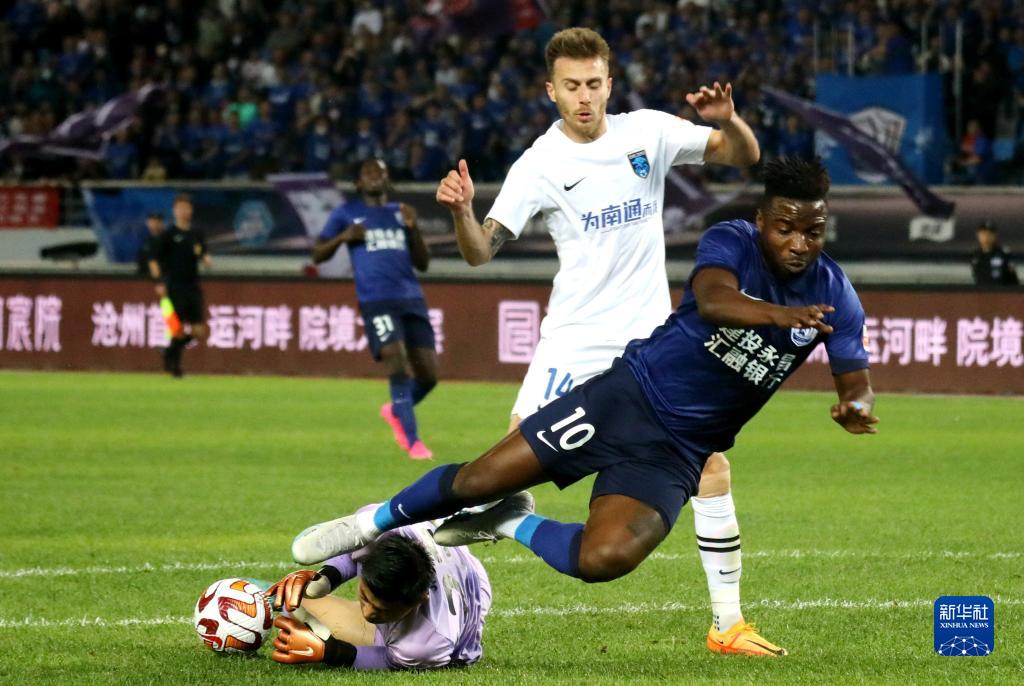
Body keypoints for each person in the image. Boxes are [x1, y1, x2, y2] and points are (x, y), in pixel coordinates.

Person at [292, 158, 879, 657]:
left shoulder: (835, 294)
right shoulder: (732, 240)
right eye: (785, 228)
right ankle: (364, 526)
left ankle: (507, 521)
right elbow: (714, 300)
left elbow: (855, 378)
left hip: (678, 451)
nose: (799, 244)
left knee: (605, 559)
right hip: (626, 399)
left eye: (813, 231)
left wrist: (854, 405)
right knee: (477, 479)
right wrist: (780, 315)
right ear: (762, 221)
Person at [434, 27, 773, 654]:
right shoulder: (539, 164)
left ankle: (728, 624)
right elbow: (481, 251)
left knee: (710, 464)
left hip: (652, 346)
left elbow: (741, 155)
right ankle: (437, 571)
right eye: (572, 86)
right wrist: (461, 212)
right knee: (494, 473)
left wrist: (729, 120)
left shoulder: (648, 132)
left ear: (610, 84)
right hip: (574, 341)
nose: (584, 96)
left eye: (593, 83)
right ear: (551, 91)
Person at [314, 159, 438, 460]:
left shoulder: (401, 212)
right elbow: (317, 254)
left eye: (380, 172)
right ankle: (413, 442)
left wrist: (413, 228)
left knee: (429, 376)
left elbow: (423, 263)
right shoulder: (345, 214)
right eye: (368, 172)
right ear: (358, 183)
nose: (374, 176)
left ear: (387, 180)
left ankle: (395, 410)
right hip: (376, 300)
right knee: (396, 360)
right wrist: (343, 237)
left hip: (411, 299)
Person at [266, 512, 490, 671]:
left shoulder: (424, 645)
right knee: (292, 603)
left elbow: (388, 660)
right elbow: (353, 550)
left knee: (299, 613)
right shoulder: (379, 530)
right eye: (365, 598)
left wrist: (331, 652)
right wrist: (324, 579)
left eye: (383, 611)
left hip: (471, 587)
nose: (369, 613)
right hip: (452, 561)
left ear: (419, 599)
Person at [148, 194, 210, 378]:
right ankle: (175, 368)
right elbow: (153, 260)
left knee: (199, 330)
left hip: (193, 286)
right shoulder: (168, 235)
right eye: (180, 208)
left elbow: (203, 254)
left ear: (191, 210)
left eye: (187, 208)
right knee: (177, 329)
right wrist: (158, 282)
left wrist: (206, 259)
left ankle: (168, 352)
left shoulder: (197, 234)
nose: (184, 212)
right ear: (174, 211)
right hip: (174, 287)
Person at [971, 220, 1019, 286]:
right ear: (978, 235)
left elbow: (1013, 280)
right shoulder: (975, 255)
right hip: (981, 291)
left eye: (990, 234)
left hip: (1000, 291)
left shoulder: (1003, 254)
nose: (986, 237)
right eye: (983, 234)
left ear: (996, 235)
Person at [136, 212, 164, 276]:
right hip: (145, 278)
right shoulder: (146, 242)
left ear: (162, 223)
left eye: (158, 221)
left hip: (163, 278)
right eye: (152, 221)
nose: (155, 224)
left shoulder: (167, 240)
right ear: (147, 223)